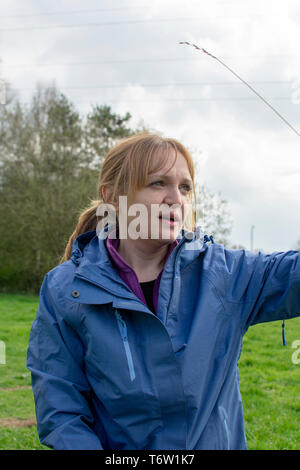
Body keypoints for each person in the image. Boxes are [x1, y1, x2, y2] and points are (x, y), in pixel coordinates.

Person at [27, 131, 300, 450]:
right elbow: (62, 412)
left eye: (185, 187)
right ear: (113, 197)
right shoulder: (65, 289)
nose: (177, 199)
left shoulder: (224, 274)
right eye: (158, 183)